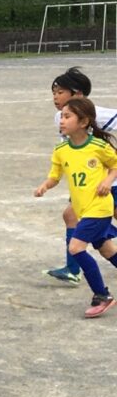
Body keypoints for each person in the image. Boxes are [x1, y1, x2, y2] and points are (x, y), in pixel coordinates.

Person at [35, 98, 117, 318]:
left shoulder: (99, 146)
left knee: (76, 248)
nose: (61, 120)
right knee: (107, 250)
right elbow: (55, 176)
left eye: (67, 116)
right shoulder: (61, 150)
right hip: (83, 210)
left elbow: (115, 165)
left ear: (83, 122)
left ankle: (102, 295)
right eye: (61, 116)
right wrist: (45, 186)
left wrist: (108, 181)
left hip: (99, 209)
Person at [43, 67, 117, 285]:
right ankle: (73, 269)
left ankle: (76, 271)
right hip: (87, 183)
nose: (56, 97)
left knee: (100, 236)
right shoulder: (60, 117)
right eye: (54, 93)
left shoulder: (96, 113)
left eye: (60, 92)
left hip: (108, 182)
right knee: (72, 217)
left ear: (77, 94)